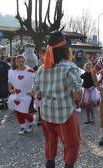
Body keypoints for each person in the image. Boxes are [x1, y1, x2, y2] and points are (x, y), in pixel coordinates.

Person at [33, 31, 82, 168]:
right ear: (65, 50)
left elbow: (35, 91)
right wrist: (77, 102)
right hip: (65, 114)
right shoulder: (70, 67)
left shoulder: (41, 69)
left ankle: (50, 164)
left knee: (49, 141)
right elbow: (77, 92)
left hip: (46, 112)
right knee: (72, 144)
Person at [7, 55, 35, 134]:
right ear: (16, 62)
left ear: (25, 62)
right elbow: (9, 82)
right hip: (16, 94)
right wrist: (10, 89)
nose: (21, 63)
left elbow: (35, 81)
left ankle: (31, 122)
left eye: (22, 61)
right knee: (17, 111)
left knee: (23, 111)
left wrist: (33, 91)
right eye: (19, 61)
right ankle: (23, 126)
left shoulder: (30, 71)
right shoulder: (13, 72)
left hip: (26, 95)